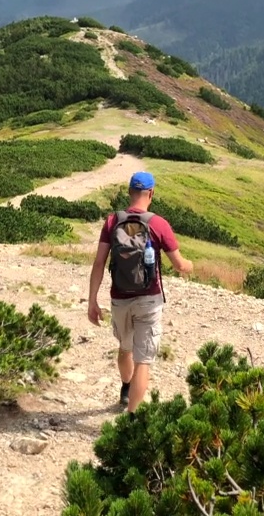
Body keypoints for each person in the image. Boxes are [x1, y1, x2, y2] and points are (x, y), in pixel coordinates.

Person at [87, 171, 193, 411]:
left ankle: (126, 387)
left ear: (129, 192)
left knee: (125, 348)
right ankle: (133, 421)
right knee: (143, 360)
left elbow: (99, 263)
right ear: (151, 193)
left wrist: (92, 300)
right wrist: (190, 267)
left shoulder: (113, 221)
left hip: (120, 298)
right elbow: (179, 264)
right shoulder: (158, 224)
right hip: (149, 299)